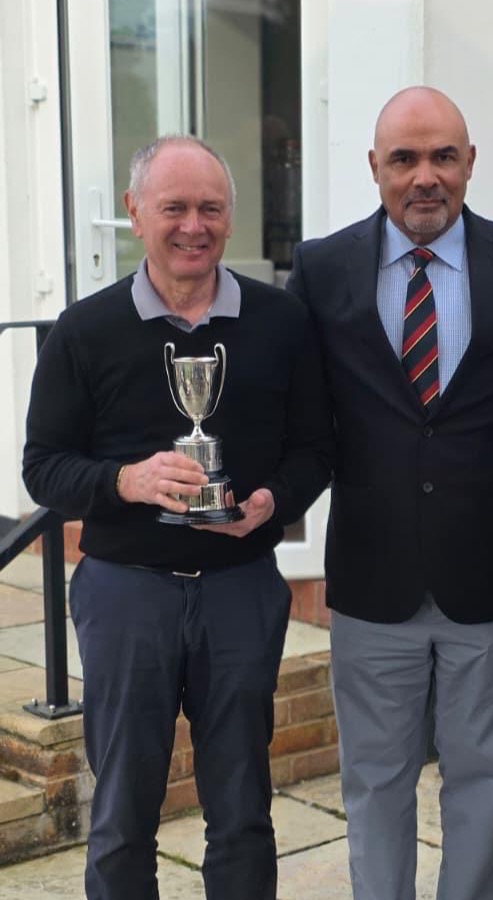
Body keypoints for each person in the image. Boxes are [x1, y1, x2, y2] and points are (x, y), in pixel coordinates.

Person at [23, 135, 333, 900]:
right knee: (123, 814)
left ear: (230, 217)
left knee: (243, 810)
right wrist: (125, 481)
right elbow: (43, 467)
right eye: (174, 208)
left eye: (210, 209)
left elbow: (315, 448)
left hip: (240, 589)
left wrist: (270, 503)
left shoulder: (281, 320)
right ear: (135, 214)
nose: (193, 226)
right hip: (126, 593)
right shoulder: (84, 330)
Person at [286, 86, 493, 900]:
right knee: (375, 783)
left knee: (485, 782)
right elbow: (301, 416)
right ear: (374, 167)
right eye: (404, 159)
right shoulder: (322, 268)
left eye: (444, 156)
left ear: (470, 162)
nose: (425, 177)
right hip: (374, 580)